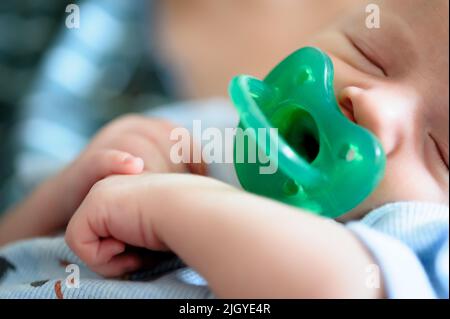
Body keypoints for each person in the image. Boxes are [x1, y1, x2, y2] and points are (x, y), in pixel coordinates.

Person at [0, 0, 448, 298]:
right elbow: (10, 256)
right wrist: (65, 194)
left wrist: (170, 209)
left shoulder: (419, 235)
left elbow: (341, 289)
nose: (373, 105)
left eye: (442, 151)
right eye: (370, 51)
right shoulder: (206, 130)